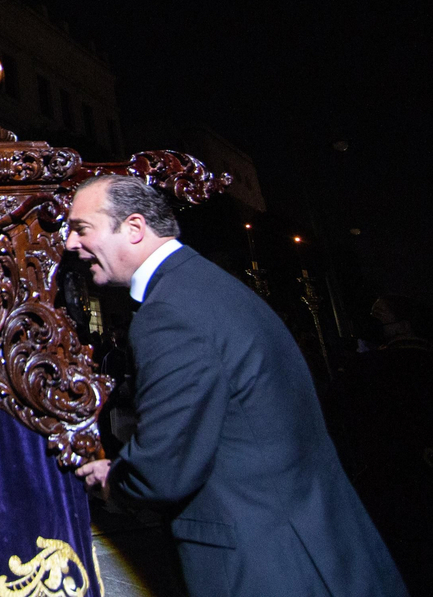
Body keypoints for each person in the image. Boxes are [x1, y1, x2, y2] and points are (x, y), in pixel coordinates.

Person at [65, 176, 406, 597]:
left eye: (81, 229)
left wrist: (114, 479)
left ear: (134, 228)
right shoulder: (205, 287)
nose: (70, 244)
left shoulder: (169, 311)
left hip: (264, 564)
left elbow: (164, 468)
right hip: (311, 545)